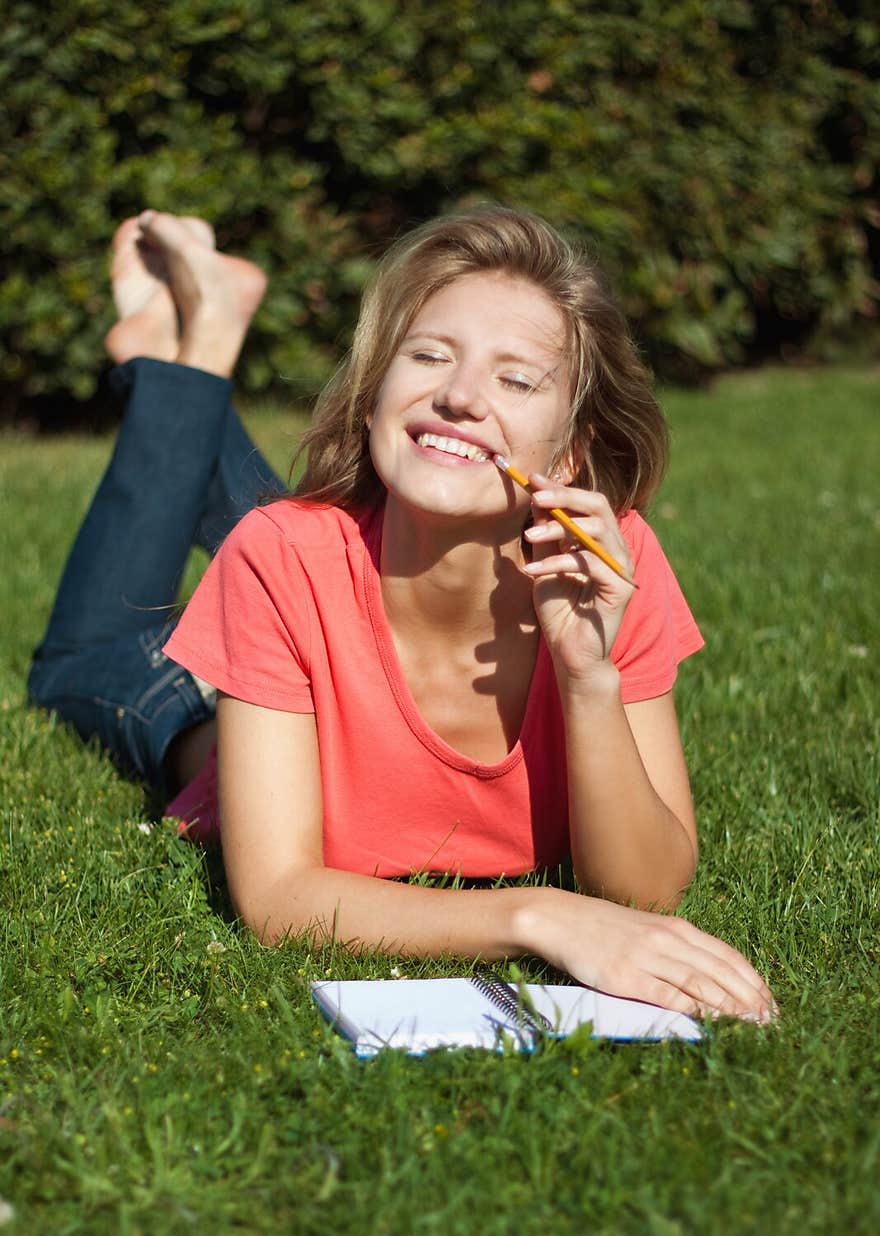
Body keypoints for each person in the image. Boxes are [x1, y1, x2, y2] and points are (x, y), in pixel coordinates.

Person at [28, 206, 777, 1024]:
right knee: (80, 662)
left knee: (291, 530)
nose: (458, 395)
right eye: (427, 356)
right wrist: (538, 915)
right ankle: (198, 342)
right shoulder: (279, 556)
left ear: (569, 453)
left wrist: (590, 677)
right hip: (179, 712)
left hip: (307, 565)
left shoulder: (603, 566)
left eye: (515, 379)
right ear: (378, 388)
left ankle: (171, 352)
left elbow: (646, 887)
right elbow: (280, 897)